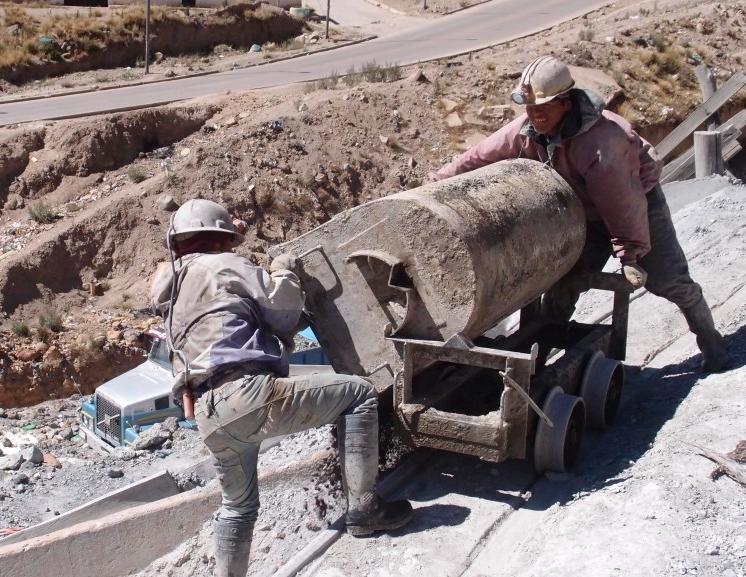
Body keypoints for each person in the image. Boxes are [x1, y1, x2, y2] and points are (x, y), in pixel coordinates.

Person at [151, 198, 414, 577]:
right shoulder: (224, 264)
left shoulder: (171, 291)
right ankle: (365, 508)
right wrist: (283, 271)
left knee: (237, 508)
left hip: (209, 413)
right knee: (358, 394)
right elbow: (285, 309)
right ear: (220, 238)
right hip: (247, 394)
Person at [428, 55, 731, 373]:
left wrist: (629, 255)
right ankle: (536, 367)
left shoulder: (603, 143)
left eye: (543, 107)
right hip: (585, 214)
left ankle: (713, 345)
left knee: (669, 281)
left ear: (567, 103)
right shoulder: (528, 129)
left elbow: (622, 202)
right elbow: (477, 157)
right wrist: (435, 182)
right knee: (563, 286)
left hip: (637, 207)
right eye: (530, 108)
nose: (535, 115)